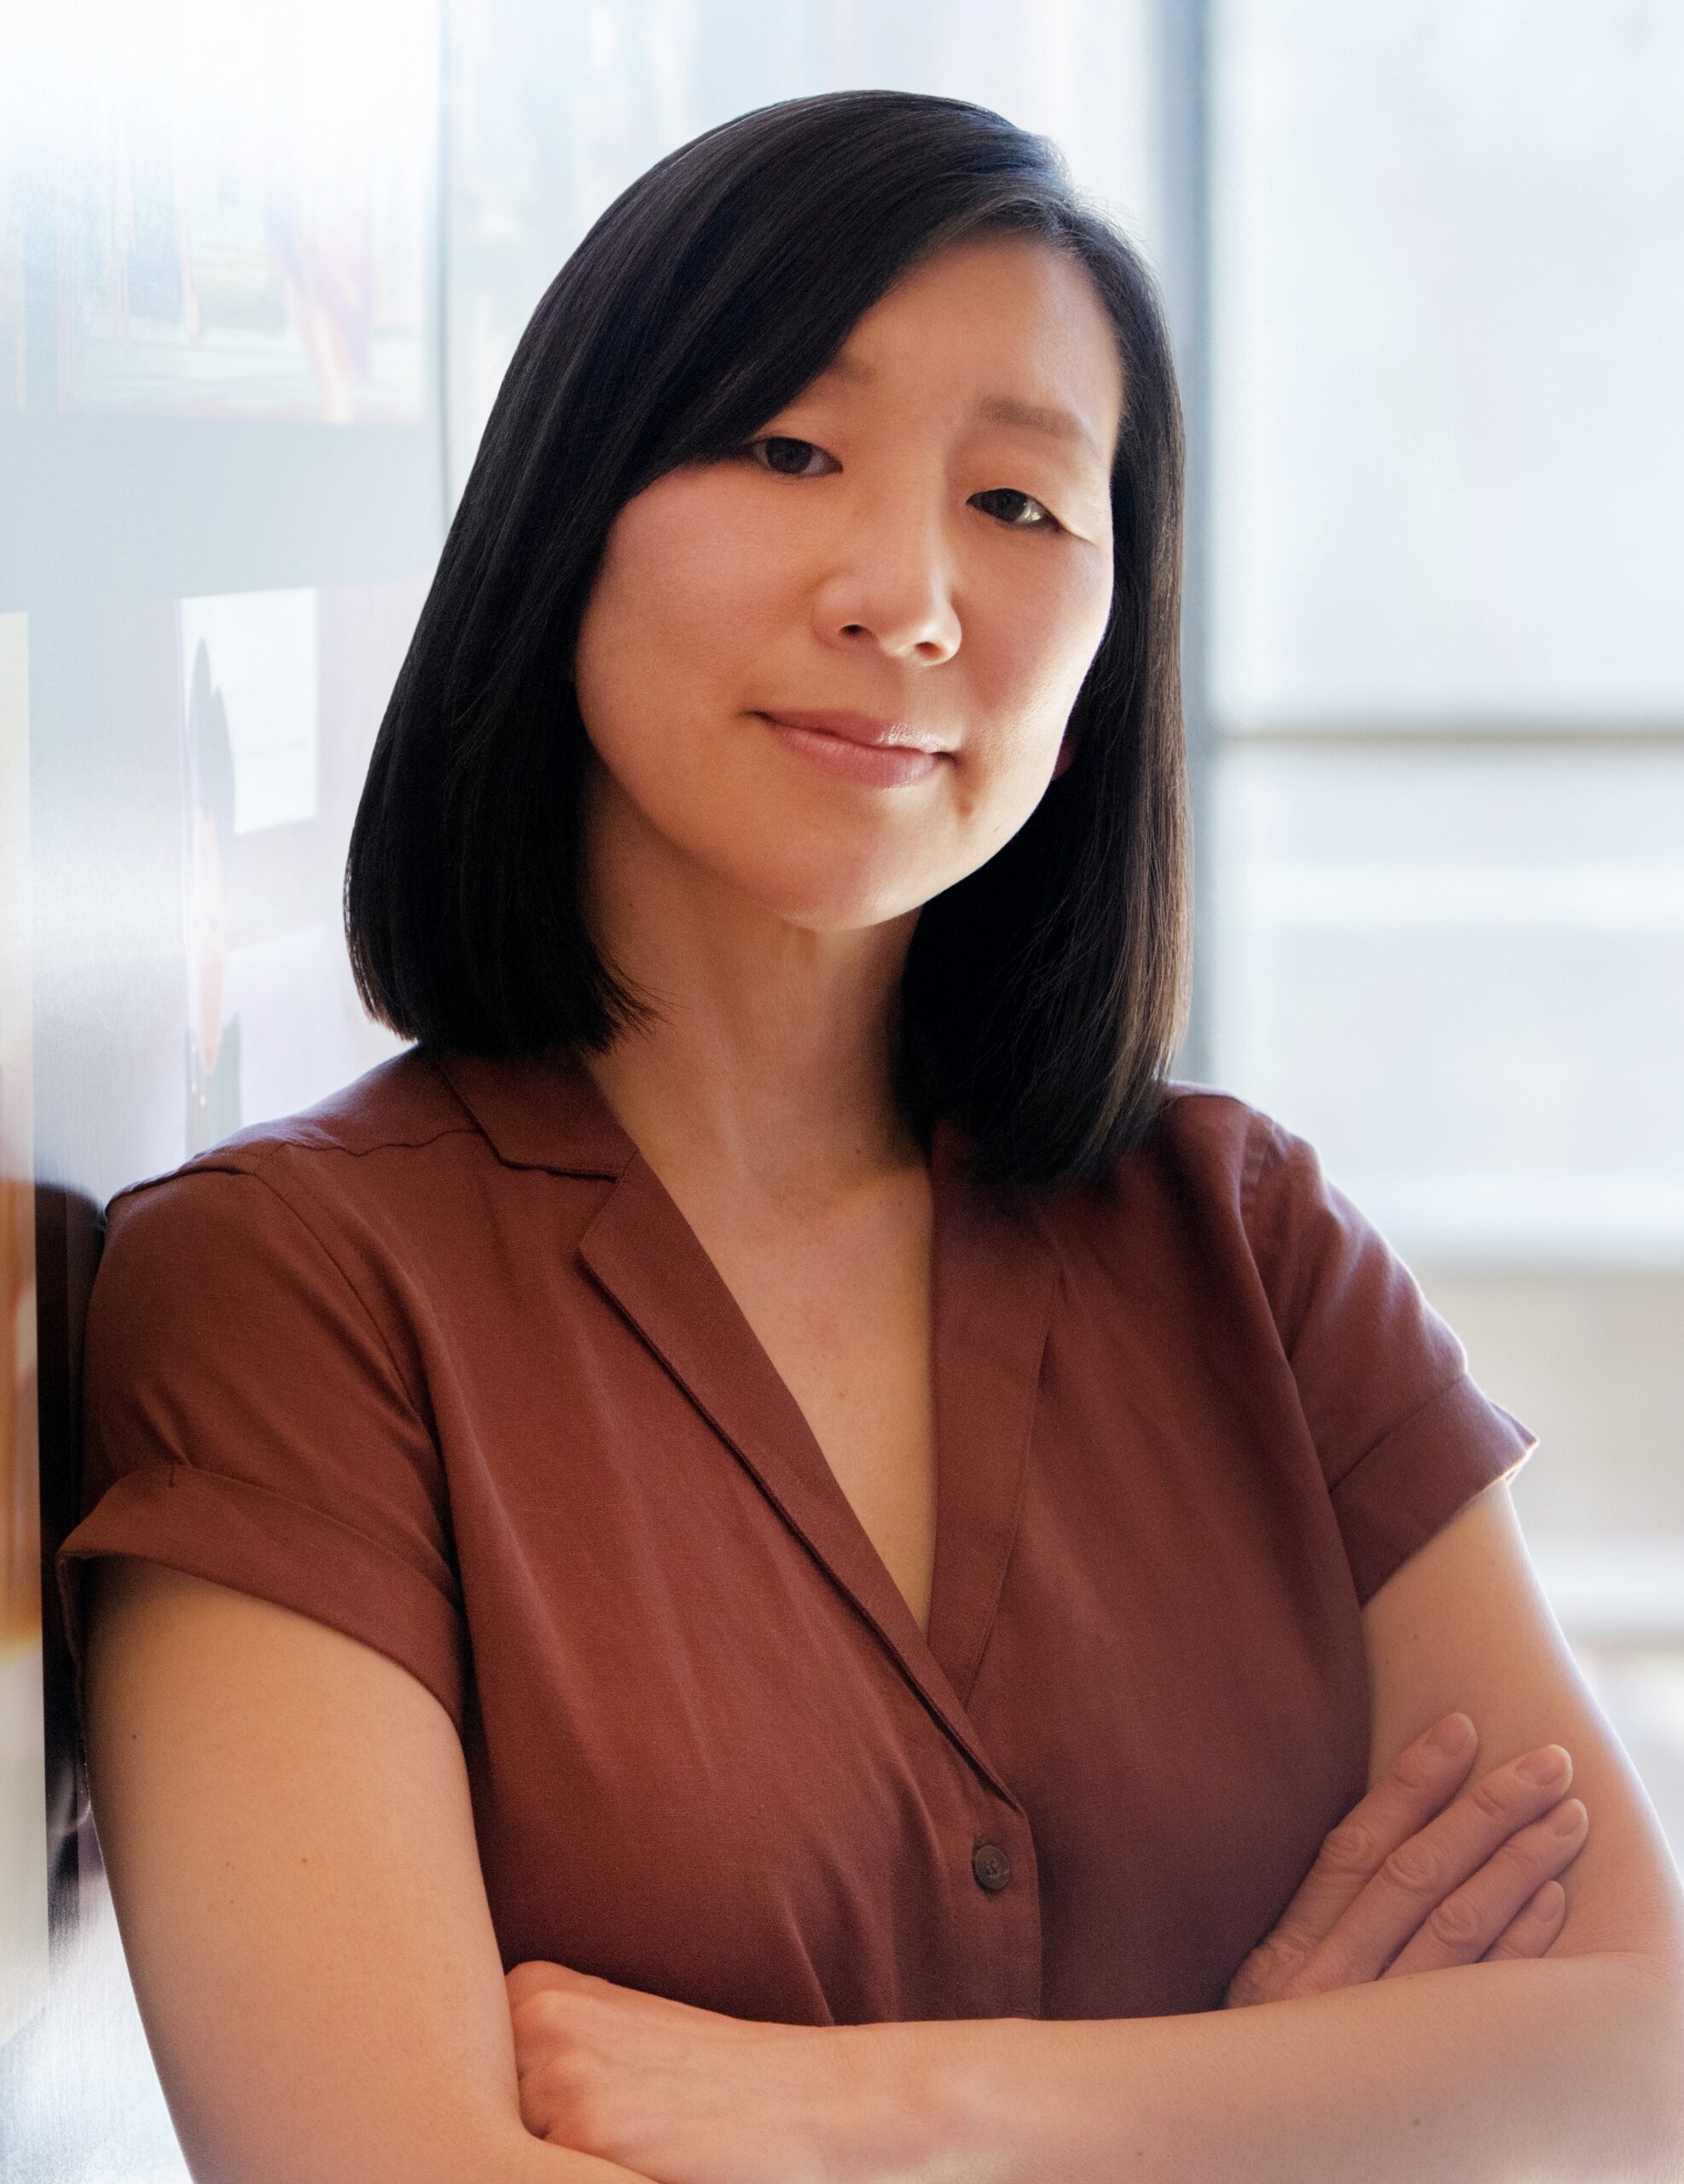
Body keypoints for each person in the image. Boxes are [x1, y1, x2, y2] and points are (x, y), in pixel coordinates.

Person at [54, 88, 1684, 2184]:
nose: (911, 595)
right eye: (791, 449)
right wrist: (1280, 2101)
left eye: (1021, 505)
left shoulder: (1248, 1237)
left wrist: (896, 2112)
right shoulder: (293, 1294)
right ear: (573, 505)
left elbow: (1637, 2065)